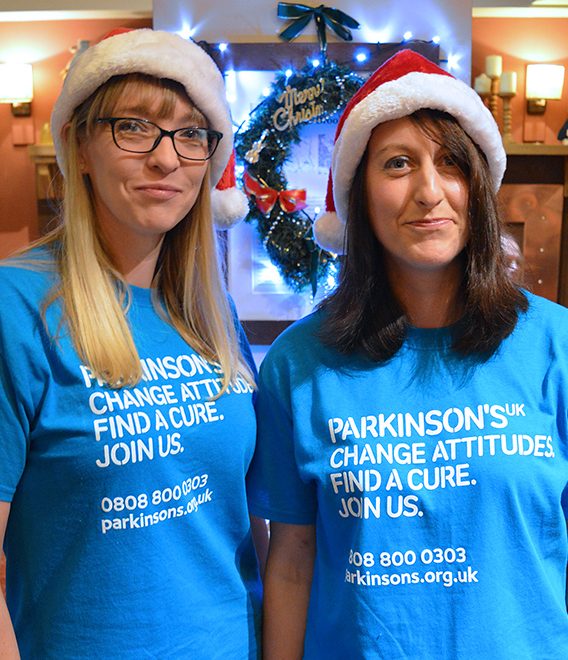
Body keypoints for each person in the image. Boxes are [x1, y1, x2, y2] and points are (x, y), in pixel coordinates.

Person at [248, 50, 568, 659]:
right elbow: (291, 562)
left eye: (451, 163)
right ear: (358, 196)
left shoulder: (555, 345)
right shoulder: (299, 363)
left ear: (477, 185)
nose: (429, 191)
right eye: (398, 164)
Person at [0, 28, 266, 659]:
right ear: (79, 147)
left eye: (189, 133)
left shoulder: (211, 312)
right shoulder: (17, 307)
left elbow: (251, 526)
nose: (166, 159)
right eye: (135, 127)